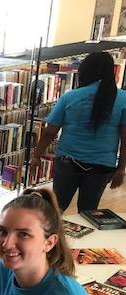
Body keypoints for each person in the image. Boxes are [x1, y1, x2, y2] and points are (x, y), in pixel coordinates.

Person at [32, 52, 126, 213]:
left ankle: (50, 237)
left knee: (55, 207)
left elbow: (50, 132)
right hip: (102, 165)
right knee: (88, 211)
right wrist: (121, 168)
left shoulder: (70, 97)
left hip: (68, 161)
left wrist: (36, 156)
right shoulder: (123, 99)